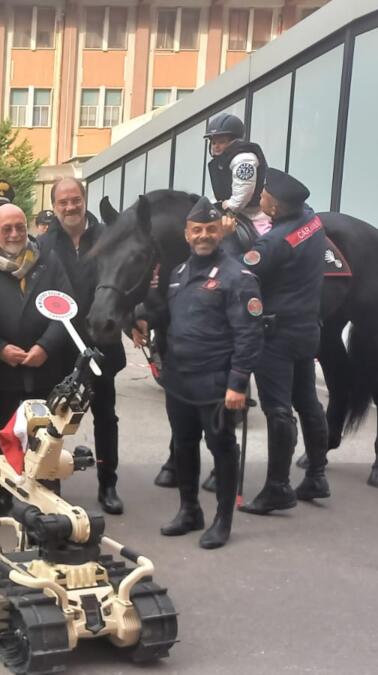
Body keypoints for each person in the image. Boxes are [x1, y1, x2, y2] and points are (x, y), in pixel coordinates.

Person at [133, 197, 263, 549]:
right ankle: (190, 510)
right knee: (184, 445)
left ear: (220, 231)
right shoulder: (178, 274)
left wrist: (238, 383)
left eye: (209, 228)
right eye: (196, 230)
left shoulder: (239, 277)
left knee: (221, 448)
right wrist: (141, 317)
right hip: (178, 380)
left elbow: (249, 334)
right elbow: (168, 315)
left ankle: (223, 520)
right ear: (187, 235)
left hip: (216, 382)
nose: (203, 235)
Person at [0, 204, 75, 517]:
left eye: (19, 226)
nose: (14, 234)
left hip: (43, 367)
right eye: (6, 229)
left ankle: (46, 493)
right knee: (2, 434)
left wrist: (45, 346)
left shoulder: (48, 262)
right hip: (0, 369)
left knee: (45, 435)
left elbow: (66, 308)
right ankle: (3, 492)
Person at [237, 168, 330, 515]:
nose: (259, 198)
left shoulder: (273, 242)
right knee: (307, 400)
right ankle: (317, 475)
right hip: (307, 330)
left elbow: (241, 272)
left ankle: (278, 487)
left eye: (263, 195)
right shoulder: (312, 221)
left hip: (277, 336)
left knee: (278, 410)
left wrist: (226, 245)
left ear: (274, 207)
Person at [38, 177, 126, 514]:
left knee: (105, 417)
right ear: (55, 205)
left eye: (75, 200)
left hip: (101, 343)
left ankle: (109, 485)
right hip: (60, 348)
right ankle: (50, 483)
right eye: (63, 202)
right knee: (54, 420)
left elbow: (127, 279)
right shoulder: (44, 244)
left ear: (84, 199)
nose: (70, 207)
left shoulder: (109, 237)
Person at [205, 113, 271, 237]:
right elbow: (222, 191)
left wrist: (231, 205)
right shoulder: (223, 159)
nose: (216, 146)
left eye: (221, 142)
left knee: (266, 243)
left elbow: (242, 194)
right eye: (214, 142)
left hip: (257, 214)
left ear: (234, 141)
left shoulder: (244, 159)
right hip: (238, 212)